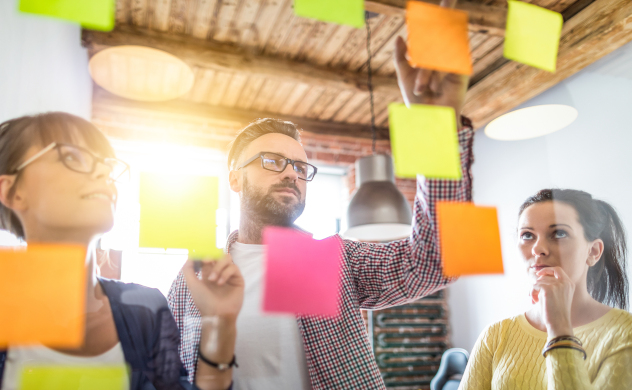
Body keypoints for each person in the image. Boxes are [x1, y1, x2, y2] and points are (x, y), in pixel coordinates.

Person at [167, 17, 473, 390]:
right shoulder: (196, 279)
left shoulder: (329, 260)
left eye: (299, 166)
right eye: (272, 161)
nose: (291, 174)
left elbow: (437, 261)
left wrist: (437, 130)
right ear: (235, 178)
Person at [0, 112, 244, 390]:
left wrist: (220, 323)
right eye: (72, 156)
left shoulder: (147, 310)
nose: (105, 173)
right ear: (12, 192)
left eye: (106, 164)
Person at [459, 189, 632, 389]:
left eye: (559, 233)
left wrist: (559, 330)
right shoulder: (496, 335)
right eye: (527, 235)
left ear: (593, 251)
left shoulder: (624, 333)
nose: (537, 249)